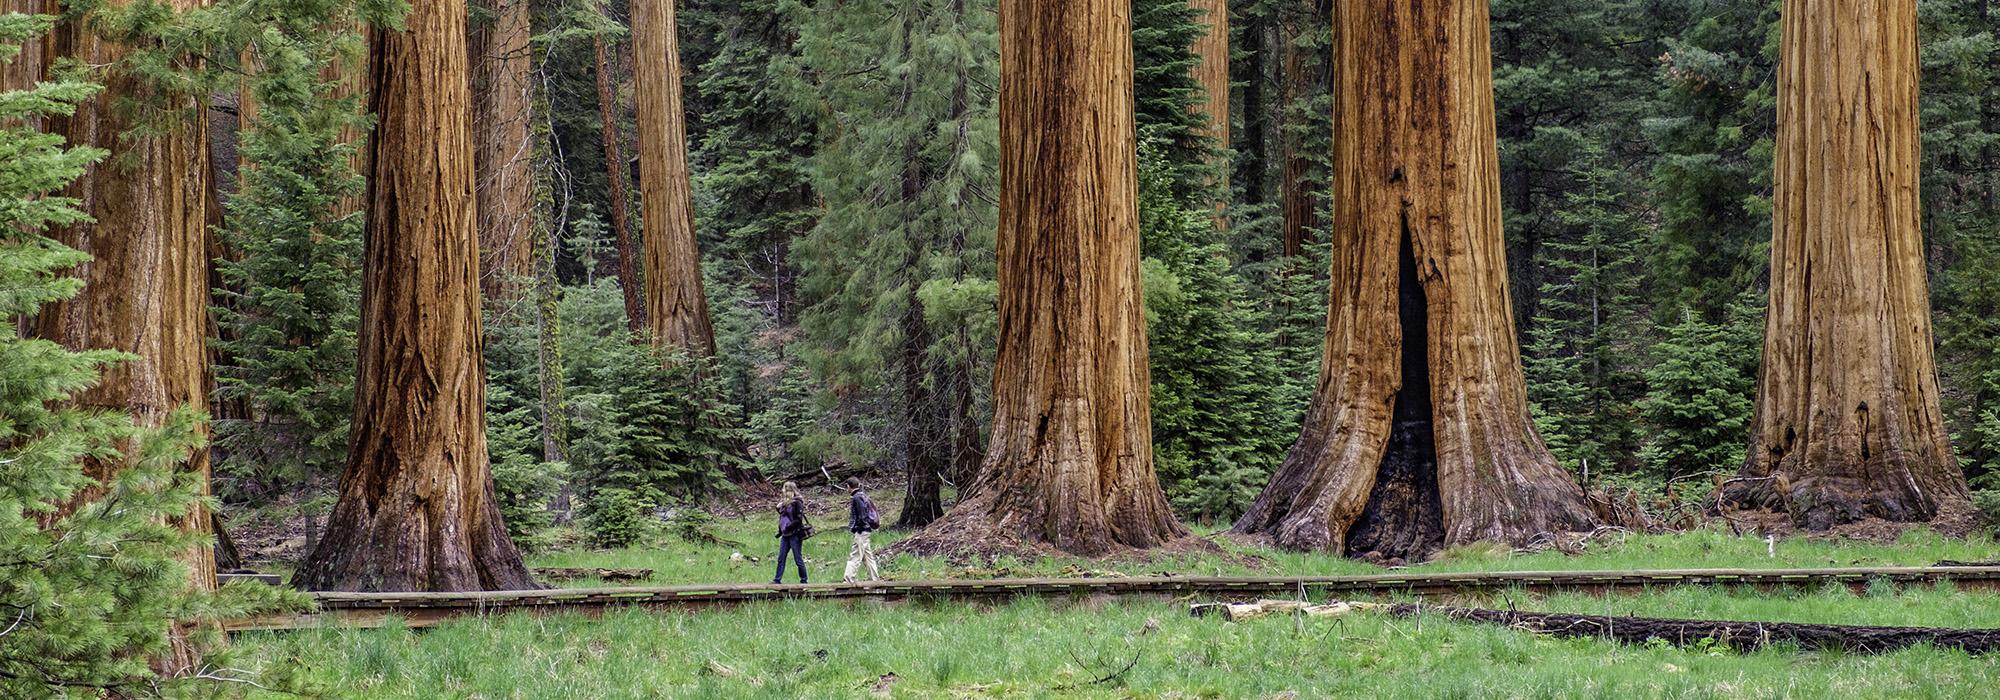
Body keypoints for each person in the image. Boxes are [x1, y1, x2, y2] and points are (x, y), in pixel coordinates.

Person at [842, 478, 881, 583]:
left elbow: (862, 515)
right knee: (868, 556)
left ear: (849, 486)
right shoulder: (862, 495)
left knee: (855, 554)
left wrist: (858, 528)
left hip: (862, 530)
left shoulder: (857, 498)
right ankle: (875, 579)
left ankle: (848, 579)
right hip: (866, 530)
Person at [772, 482, 809, 585]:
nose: (784, 493)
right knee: (781, 558)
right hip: (785, 535)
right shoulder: (785, 502)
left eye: (786, 490)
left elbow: (798, 519)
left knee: (798, 558)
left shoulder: (797, 502)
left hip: (795, 534)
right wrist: (778, 507)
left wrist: (788, 526)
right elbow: (783, 514)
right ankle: (777, 579)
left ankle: (804, 580)